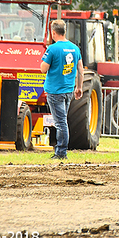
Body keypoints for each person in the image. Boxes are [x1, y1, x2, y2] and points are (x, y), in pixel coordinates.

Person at [40, 19, 83, 160]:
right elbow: (80, 70)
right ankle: (61, 150)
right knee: (62, 121)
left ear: (53, 32)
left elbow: (43, 69)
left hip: (55, 91)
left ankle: (61, 152)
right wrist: (79, 87)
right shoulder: (75, 48)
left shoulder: (52, 49)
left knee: (60, 123)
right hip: (68, 90)